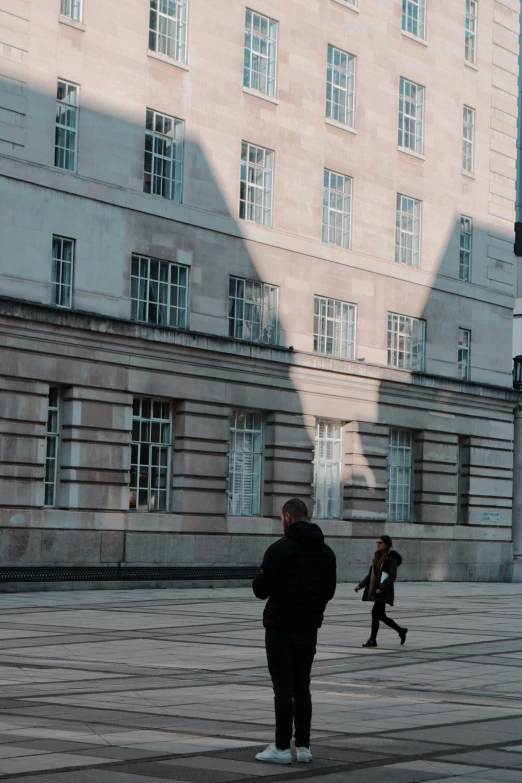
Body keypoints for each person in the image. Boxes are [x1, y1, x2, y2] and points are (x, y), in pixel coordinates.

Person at [252, 498, 337, 765]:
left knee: (282, 688)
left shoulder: (279, 549)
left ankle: (280, 746)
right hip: (309, 627)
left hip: (280, 627)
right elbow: (329, 591)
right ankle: (304, 746)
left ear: (287, 517)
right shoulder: (327, 552)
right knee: (303, 687)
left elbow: (260, 589)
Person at [354, 534, 407, 648]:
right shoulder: (377, 557)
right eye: (377, 542)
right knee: (381, 616)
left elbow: (392, 576)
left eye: (380, 543)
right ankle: (401, 630)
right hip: (377, 590)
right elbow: (371, 575)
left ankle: (373, 640)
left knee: (375, 614)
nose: (377, 544)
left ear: (386, 545)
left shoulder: (390, 559)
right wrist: (361, 585)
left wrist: (382, 587)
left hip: (383, 590)